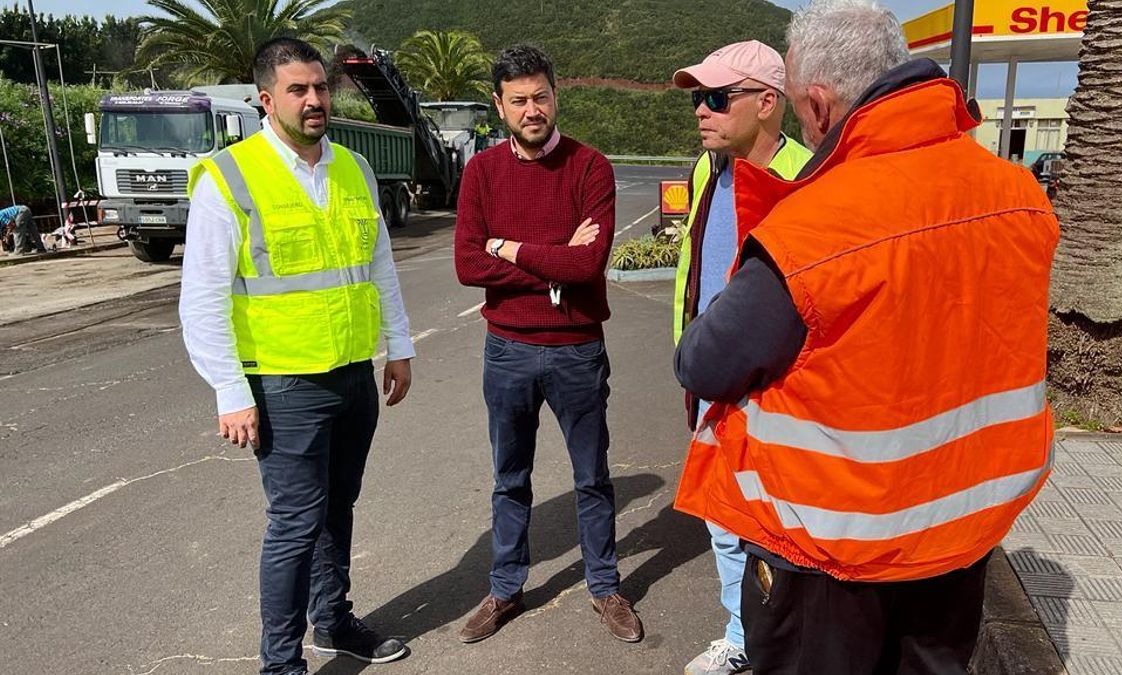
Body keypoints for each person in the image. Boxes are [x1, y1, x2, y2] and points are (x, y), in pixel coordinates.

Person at [672, 1, 1060, 673]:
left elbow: (705, 361)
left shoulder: (817, 224)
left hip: (834, 553)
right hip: (961, 535)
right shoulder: (1018, 192)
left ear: (818, 105)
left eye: (798, 111)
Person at [179, 37, 415, 675]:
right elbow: (200, 300)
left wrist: (398, 347)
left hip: (352, 374)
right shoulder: (229, 177)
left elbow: (378, 267)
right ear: (265, 98)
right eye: (297, 90)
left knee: (338, 508)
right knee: (294, 525)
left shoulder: (354, 169)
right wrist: (230, 391)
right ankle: (280, 664)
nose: (314, 100)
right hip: (282, 383)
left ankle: (333, 622)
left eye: (320, 87)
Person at [453, 44, 643, 645]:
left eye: (540, 97)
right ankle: (506, 588)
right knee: (510, 477)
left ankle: (605, 585)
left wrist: (506, 249)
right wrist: (554, 259)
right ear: (499, 105)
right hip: (507, 349)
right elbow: (465, 263)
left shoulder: (591, 168)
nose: (531, 110)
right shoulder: (481, 172)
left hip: (576, 350)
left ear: (556, 95)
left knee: (592, 476)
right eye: (518, 100)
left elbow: (587, 265)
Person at [670, 40, 811, 675]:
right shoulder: (709, 170)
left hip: (778, 387)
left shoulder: (808, 177)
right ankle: (740, 635)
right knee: (721, 519)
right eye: (701, 98)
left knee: (782, 526)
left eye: (718, 98)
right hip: (712, 377)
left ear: (767, 103)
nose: (702, 110)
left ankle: (781, 643)